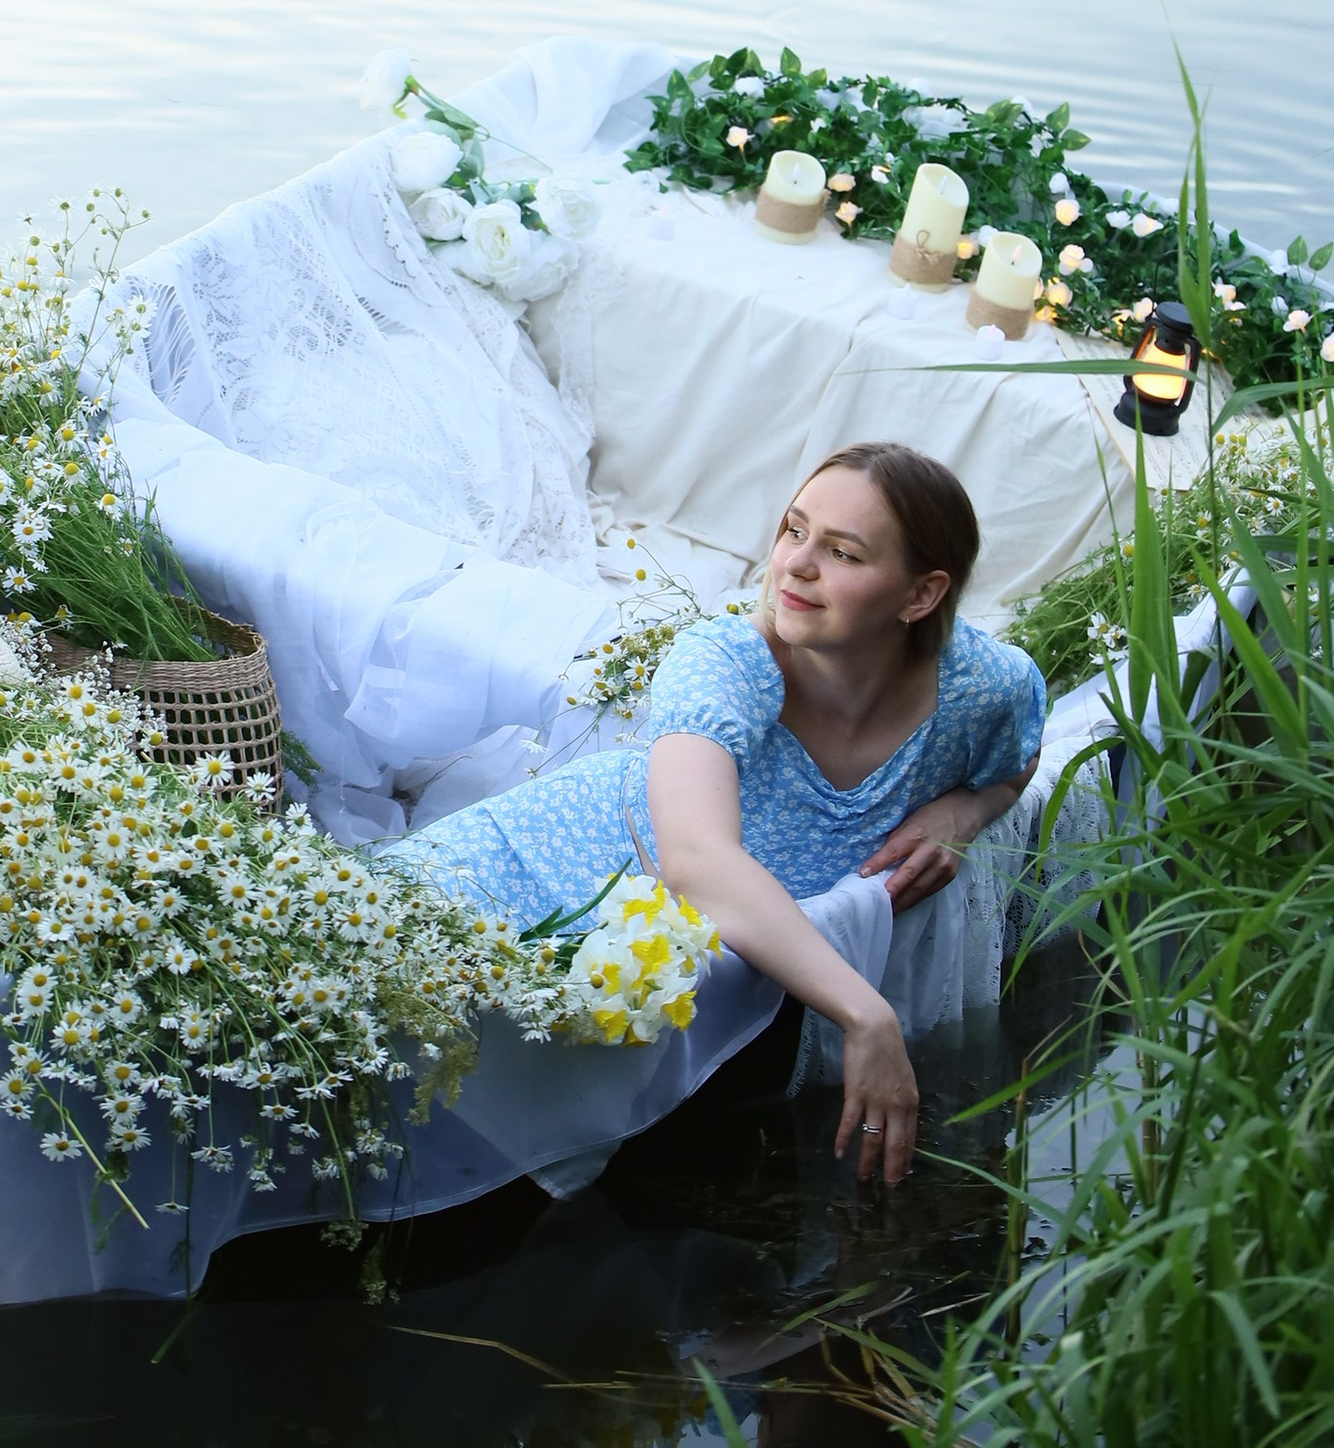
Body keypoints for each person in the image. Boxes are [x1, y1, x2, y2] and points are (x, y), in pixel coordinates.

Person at [387, 441, 1045, 1186]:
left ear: (920, 596)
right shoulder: (729, 659)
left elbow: (1018, 756)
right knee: (372, 1029)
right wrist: (866, 1014)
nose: (794, 565)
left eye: (842, 552)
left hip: (645, 953)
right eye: (793, 531)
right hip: (534, 874)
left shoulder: (984, 686)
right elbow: (696, 864)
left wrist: (966, 810)